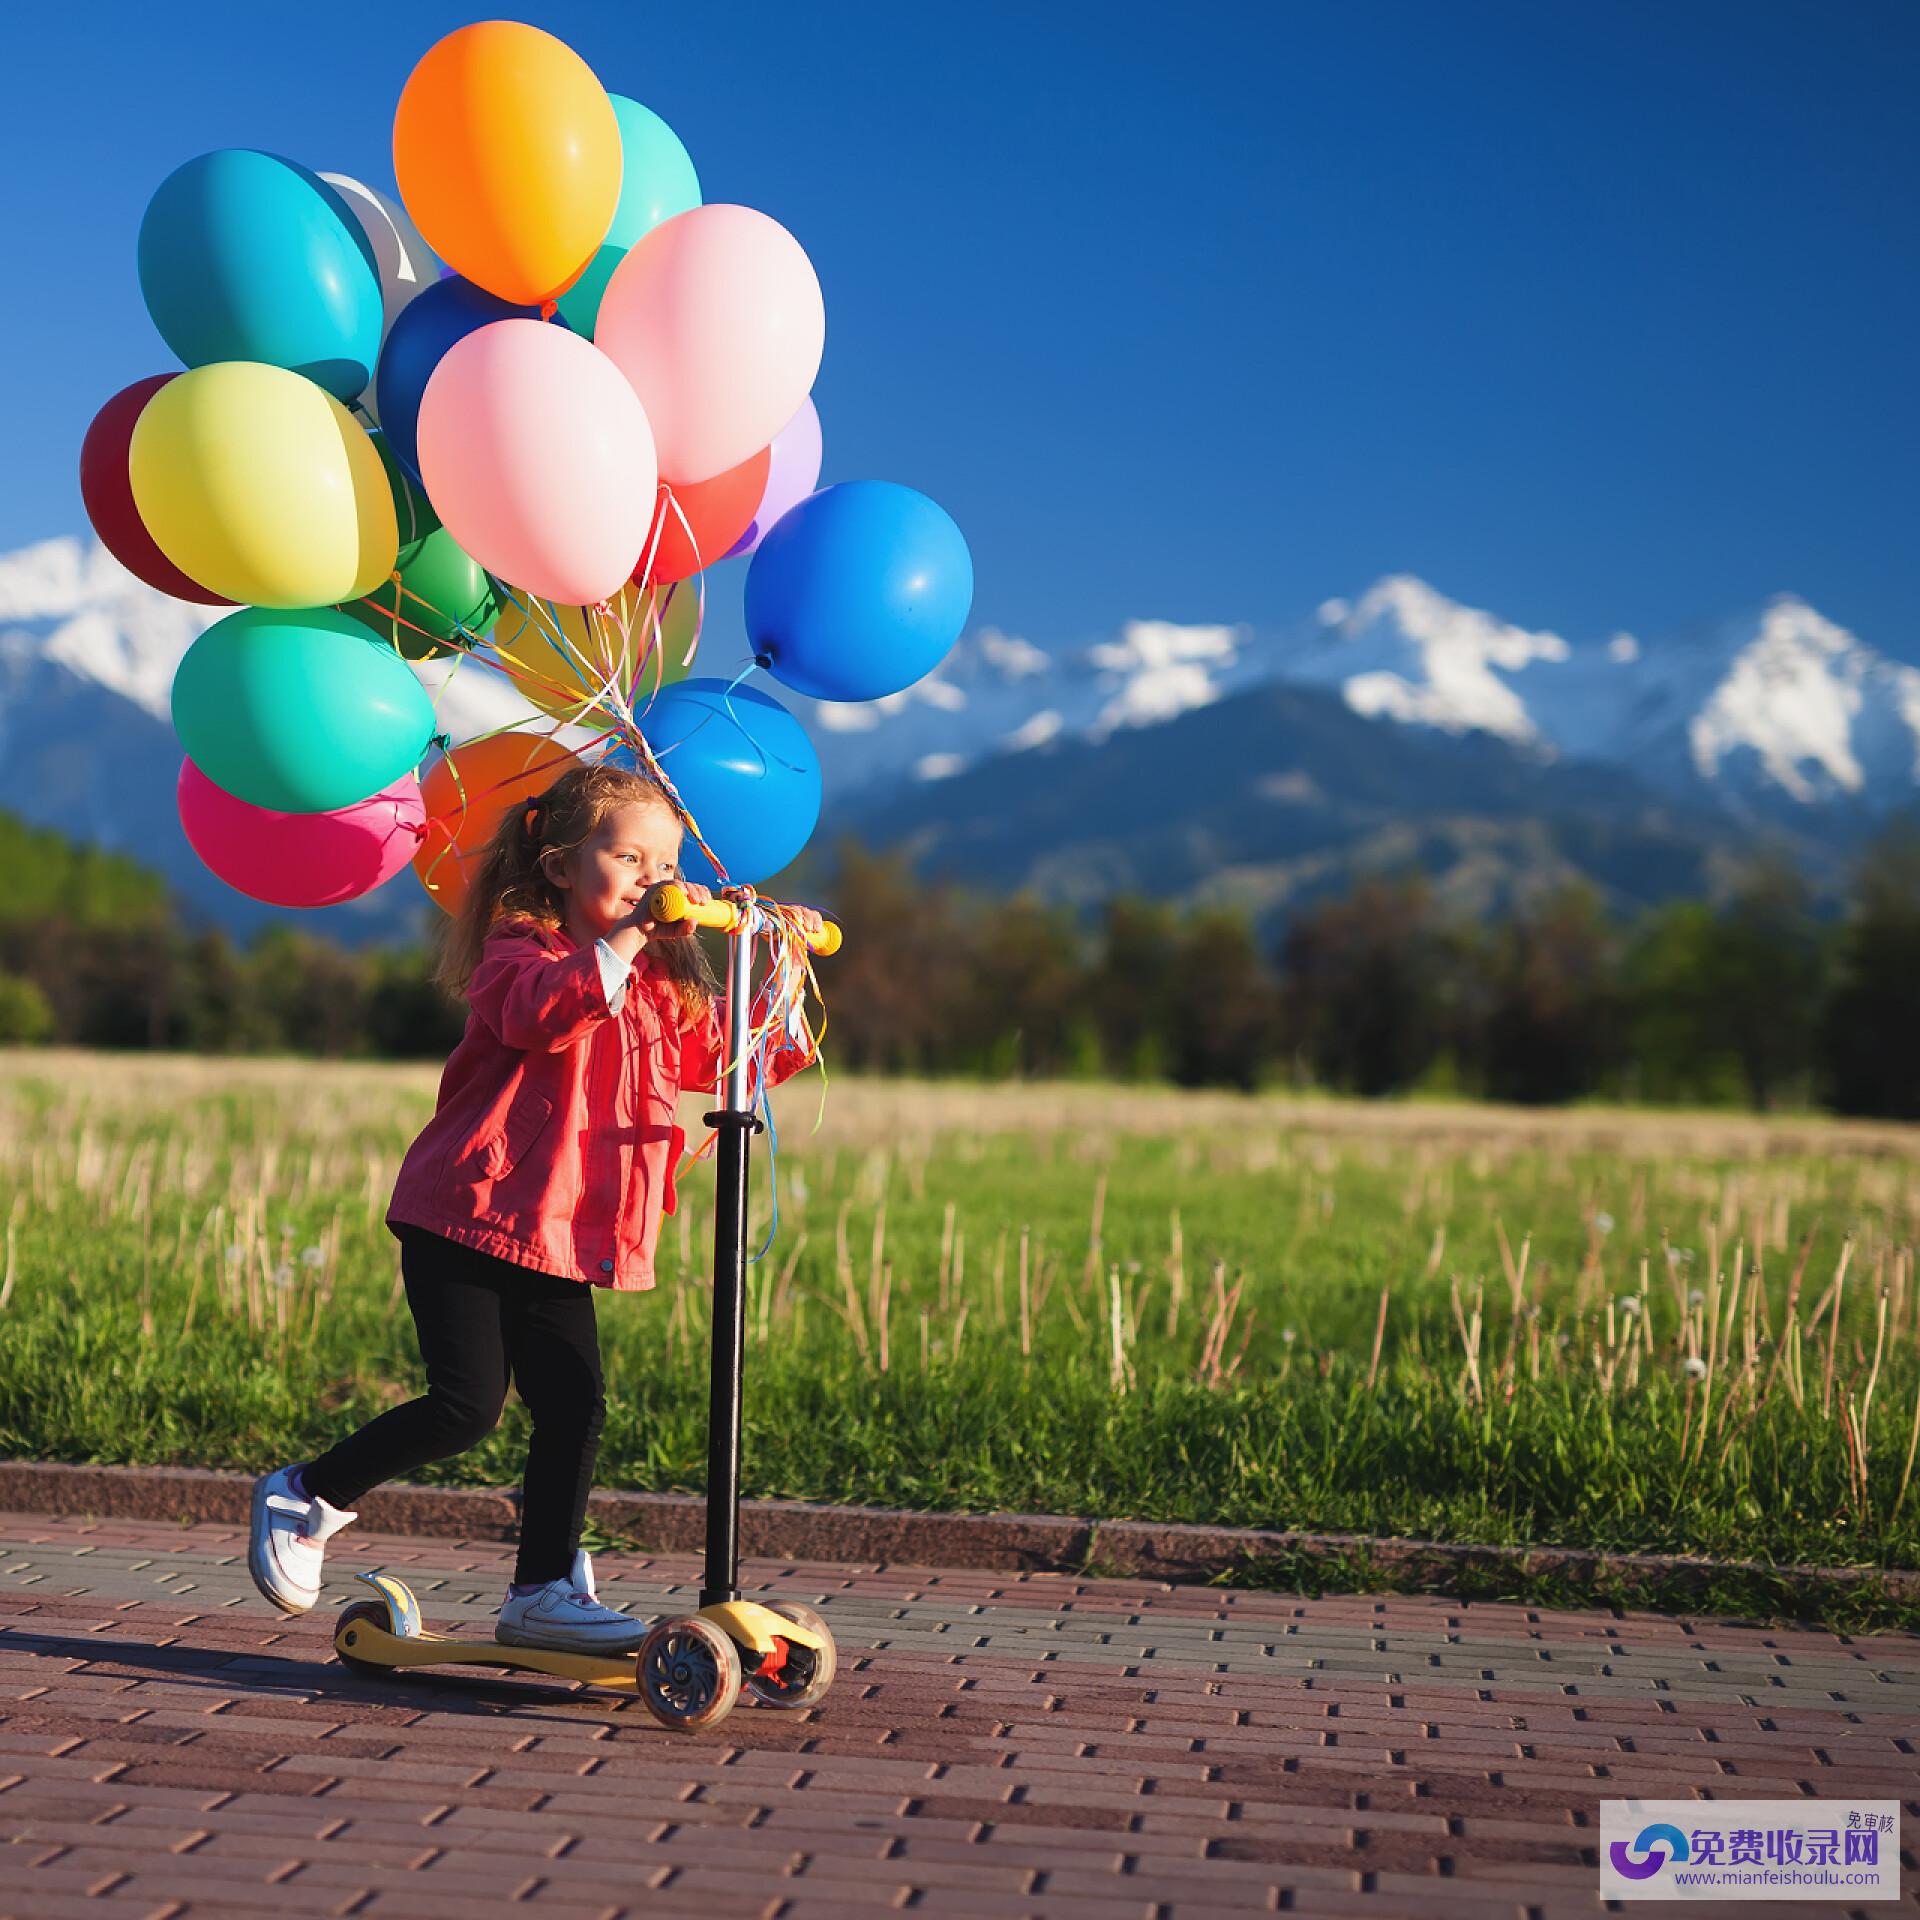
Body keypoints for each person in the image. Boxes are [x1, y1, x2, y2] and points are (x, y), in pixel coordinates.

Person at [247, 762, 820, 1650]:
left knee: (574, 1401)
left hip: (558, 1233)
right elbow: (535, 1017)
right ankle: (310, 1493)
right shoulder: (523, 950)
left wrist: (775, 960)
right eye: (629, 859)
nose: (651, 883)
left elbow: (725, 1057)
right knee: (466, 1406)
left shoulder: (661, 984)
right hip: (466, 1215)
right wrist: (627, 944)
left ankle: (543, 1587)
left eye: (665, 869)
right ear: (558, 867)